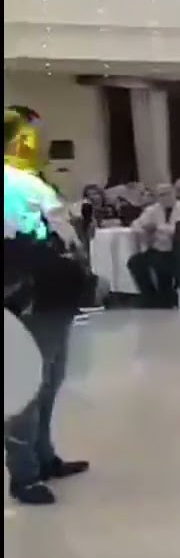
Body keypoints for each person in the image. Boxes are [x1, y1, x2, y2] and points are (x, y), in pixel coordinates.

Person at [4, 111, 92, 505]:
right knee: (27, 386)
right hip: (29, 295)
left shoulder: (31, 180)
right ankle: (23, 473)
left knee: (51, 380)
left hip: (56, 293)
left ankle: (43, 456)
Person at [127, 183, 180, 308]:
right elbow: (136, 225)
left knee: (161, 262)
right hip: (158, 248)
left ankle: (167, 297)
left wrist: (158, 228)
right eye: (161, 195)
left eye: (167, 193)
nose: (165, 197)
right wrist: (145, 229)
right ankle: (149, 296)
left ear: (174, 193)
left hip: (178, 250)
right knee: (135, 262)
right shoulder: (152, 210)